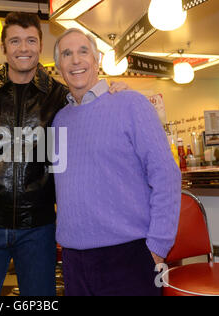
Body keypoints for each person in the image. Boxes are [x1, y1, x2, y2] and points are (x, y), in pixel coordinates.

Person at [0, 13, 128, 296]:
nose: (23, 48)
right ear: (3, 47)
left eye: (30, 40)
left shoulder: (60, 98)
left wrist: (115, 94)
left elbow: (94, 110)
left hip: (39, 229)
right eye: (15, 41)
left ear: (40, 46)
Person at [52, 28, 181, 296]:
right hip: (75, 262)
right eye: (67, 54)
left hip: (129, 257)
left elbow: (166, 176)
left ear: (97, 60)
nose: (75, 60)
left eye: (83, 51)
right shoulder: (59, 121)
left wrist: (158, 246)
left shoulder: (130, 104)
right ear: (58, 67)